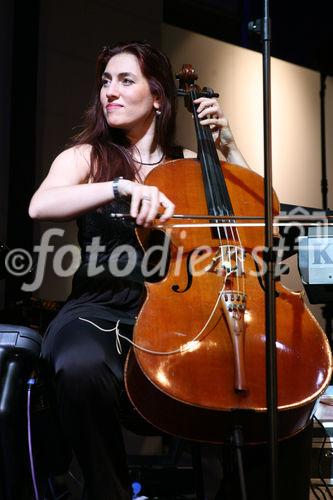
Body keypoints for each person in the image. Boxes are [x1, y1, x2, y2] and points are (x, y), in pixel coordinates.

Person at [29, 40, 248, 500]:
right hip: (99, 309)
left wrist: (226, 145)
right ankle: (106, 491)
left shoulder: (188, 164)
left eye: (125, 80)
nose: (110, 91)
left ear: (159, 96)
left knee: (237, 379)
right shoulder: (88, 158)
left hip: (180, 312)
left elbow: (253, 212)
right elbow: (40, 205)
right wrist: (118, 186)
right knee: (78, 364)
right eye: (106, 81)